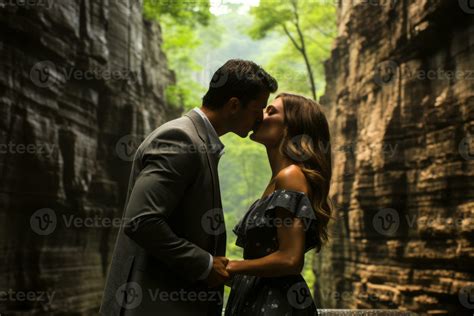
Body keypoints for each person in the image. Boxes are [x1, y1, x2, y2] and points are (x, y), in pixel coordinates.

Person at [99, 59, 278, 316]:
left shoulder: (200, 141)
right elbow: (142, 220)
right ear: (234, 105)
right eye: (258, 109)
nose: (260, 118)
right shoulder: (180, 139)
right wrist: (204, 265)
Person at [224, 93, 333, 315]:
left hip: (277, 305)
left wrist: (231, 266)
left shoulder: (291, 176)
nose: (261, 115)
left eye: (271, 111)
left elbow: (290, 259)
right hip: (257, 298)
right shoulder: (276, 181)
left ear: (291, 127)